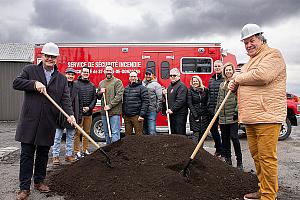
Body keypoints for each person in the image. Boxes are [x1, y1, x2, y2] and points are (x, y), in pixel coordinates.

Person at [228, 23, 286, 200]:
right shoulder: (249, 63)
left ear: (261, 38)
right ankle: (264, 189)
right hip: (251, 117)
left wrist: (237, 78)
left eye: (251, 40)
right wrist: (234, 84)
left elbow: (262, 76)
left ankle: (269, 196)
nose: (248, 45)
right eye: (245, 42)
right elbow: (245, 82)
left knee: (267, 158)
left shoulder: (272, 55)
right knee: (258, 157)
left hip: (267, 115)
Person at [13, 42, 75, 200]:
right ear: (42, 56)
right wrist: (34, 84)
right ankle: (24, 188)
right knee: (26, 155)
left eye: (53, 57)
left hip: (48, 121)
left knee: (42, 154)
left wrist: (70, 114)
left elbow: (65, 99)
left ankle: (39, 182)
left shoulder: (61, 79)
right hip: (29, 120)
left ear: (56, 59)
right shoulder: (30, 70)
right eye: (47, 55)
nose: (49, 59)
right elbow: (16, 83)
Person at [52, 68, 82, 165]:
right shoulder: (60, 86)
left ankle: (69, 155)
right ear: (65, 75)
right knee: (57, 137)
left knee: (70, 137)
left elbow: (80, 103)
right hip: (60, 115)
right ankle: (55, 156)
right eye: (69, 74)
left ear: (74, 76)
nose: (70, 76)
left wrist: (79, 116)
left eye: (72, 75)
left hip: (72, 116)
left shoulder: (77, 87)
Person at [215, 62, 243, 170]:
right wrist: (216, 113)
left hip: (232, 116)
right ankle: (228, 160)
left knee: (234, 137)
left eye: (230, 70)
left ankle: (239, 162)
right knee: (225, 139)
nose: (228, 71)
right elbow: (219, 100)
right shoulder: (222, 84)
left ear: (233, 71)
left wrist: (236, 111)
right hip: (222, 116)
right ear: (224, 72)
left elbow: (240, 98)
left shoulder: (236, 84)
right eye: (226, 70)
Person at [73, 66, 97, 159]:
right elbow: (75, 98)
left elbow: (94, 98)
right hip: (78, 113)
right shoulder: (75, 84)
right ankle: (77, 151)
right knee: (77, 133)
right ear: (81, 73)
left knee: (86, 132)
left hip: (88, 113)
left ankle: (85, 150)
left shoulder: (92, 85)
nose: (86, 73)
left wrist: (89, 107)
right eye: (84, 72)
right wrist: (80, 108)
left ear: (89, 73)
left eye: (87, 72)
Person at [97, 65, 124, 144]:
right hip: (104, 112)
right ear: (104, 72)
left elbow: (119, 96)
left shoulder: (117, 82)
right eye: (107, 70)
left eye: (110, 70)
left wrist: (110, 105)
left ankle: (115, 151)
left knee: (115, 132)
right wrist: (100, 92)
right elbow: (98, 97)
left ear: (113, 71)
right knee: (106, 132)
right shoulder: (101, 83)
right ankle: (108, 148)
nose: (108, 72)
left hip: (114, 112)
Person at [123, 71, 149, 136]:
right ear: (129, 78)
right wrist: (123, 114)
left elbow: (145, 102)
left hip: (137, 116)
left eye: (134, 76)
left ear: (137, 78)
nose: (133, 78)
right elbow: (124, 101)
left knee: (138, 136)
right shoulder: (126, 88)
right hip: (127, 116)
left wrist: (141, 115)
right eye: (131, 76)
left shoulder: (142, 88)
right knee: (127, 136)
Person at [162, 68, 188, 135]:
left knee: (180, 133)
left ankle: (181, 145)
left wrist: (172, 109)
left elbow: (181, 100)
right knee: (173, 133)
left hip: (179, 114)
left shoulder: (182, 86)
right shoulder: (170, 87)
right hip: (172, 114)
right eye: (171, 75)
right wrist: (165, 94)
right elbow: (167, 100)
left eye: (174, 75)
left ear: (179, 76)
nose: (172, 77)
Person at [207, 60, 224, 157]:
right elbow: (209, 93)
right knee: (213, 130)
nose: (217, 68)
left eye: (219, 66)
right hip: (212, 109)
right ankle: (219, 148)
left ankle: (224, 151)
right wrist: (209, 106)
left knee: (224, 131)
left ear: (222, 67)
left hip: (221, 109)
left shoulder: (224, 79)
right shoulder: (211, 80)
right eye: (215, 66)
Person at [187, 75, 209, 143]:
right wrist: (195, 115)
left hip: (204, 115)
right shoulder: (190, 91)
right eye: (194, 81)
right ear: (192, 82)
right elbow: (189, 104)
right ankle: (194, 151)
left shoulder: (205, 90)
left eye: (196, 81)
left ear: (199, 81)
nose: (195, 82)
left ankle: (201, 151)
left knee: (202, 134)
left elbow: (207, 101)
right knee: (196, 134)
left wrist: (206, 111)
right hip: (194, 116)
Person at [142, 69, 162, 135]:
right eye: (146, 74)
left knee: (152, 130)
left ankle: (153, 144)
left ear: (152, 75)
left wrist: (157, 109)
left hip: (152, 111)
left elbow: (160, 98)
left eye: (149, 74)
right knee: (144, 131)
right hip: (143, 111)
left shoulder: (156, 85)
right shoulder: (142, 84)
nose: (148, 76)